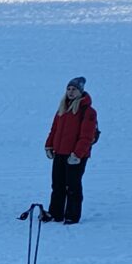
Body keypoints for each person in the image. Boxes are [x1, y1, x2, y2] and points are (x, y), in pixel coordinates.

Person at [45, 76, 100, 224]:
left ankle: (72, 215)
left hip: (76, 155)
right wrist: (49, 145)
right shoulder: (62, 108)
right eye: (68, 89)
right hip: (60, 153)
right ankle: (55, 213)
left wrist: (77, 154)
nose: (70, 92)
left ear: (80, 91)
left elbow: (87, 136)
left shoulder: (88, 112)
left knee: (73, 186)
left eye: (74, 89)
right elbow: (54, 129)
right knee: (57, 185)